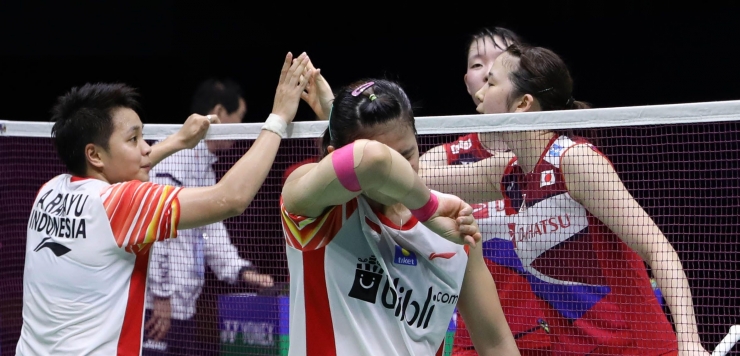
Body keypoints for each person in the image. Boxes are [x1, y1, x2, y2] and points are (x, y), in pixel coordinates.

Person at [16, 52, 314, 355]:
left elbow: (119, 172)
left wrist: (179, 141)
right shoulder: (121, 203)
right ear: (94, 154)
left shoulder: (49, 191)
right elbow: (231, 199)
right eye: (134, 140)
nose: (146, 148)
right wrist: (278, 119)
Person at [422, 43, 709, 355]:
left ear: (522, 104)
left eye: (491, 83)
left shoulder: (575, 161)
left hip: (636, 348)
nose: (480, 94)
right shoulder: (509, 173)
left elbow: (658, 249)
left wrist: (690, 343)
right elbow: (417, 180)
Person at [281, 78, 520, 355]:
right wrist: (427, 208)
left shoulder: (454, 228)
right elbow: (371, 158)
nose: (399, 172)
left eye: (407, 155)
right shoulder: (316, 210)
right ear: (334, 157)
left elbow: (496, 343)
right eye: (393, 164)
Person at [142, 78, 275, 355]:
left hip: (183, 306)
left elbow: (211, 234)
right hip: (156, 308)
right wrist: (161, 296)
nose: (240, 130)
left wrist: (243, 271)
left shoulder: (204, 167)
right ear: (218, 113)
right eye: (238, 120)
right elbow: (155, 229)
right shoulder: (174, 159)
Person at [419, 26, 523, 168]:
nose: (489, 73)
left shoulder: (556, 151)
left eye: (502, 62)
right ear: (467, 84)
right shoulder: (437, 162)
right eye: (477, 64)